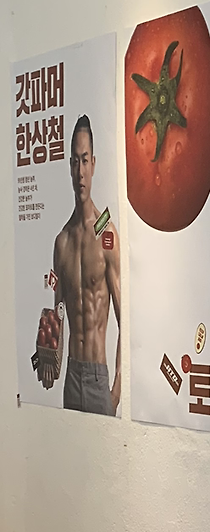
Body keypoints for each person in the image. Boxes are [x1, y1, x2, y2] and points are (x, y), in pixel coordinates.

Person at [38, 114, 121, 414]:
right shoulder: (61, 242)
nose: (80, 172)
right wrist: (48, 357)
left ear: (93, 164)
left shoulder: (107, 234)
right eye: (75, 162)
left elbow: (125, 320)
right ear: (70, 167)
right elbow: (58, 315)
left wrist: (118, 386)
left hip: (99, 378)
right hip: (71, 378)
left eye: (85, 161)